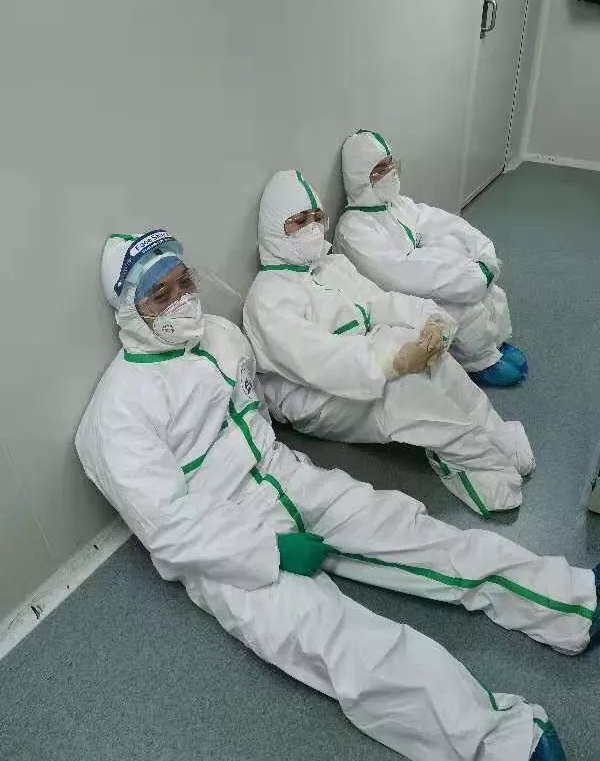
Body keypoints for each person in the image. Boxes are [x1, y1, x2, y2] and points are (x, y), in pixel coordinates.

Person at [76, 229, 599, 761]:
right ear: (128, 309)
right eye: (160, 294)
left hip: (285, 476)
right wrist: (267, 549)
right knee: (345, 643)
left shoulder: (220, 336)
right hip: (225, 545)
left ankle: (572, 599)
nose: (182, 301)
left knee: (411, 530)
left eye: (183, 282)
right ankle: (499, 743)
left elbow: (267, 396)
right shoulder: (117, 412)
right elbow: (169, 529)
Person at [243, 170, 534, 517]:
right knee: (407, 391)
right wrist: (393, 362)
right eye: (299, 221)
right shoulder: (268, 298)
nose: (312, 228)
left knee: (436, 361)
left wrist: (429, 320)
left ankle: (495, 434)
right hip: (313, 396)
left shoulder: (330, 266)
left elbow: (379, 302)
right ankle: (479, 466)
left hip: (365, 359)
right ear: (273, 228)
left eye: (316, 218)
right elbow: (321, 361)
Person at [334, 129, 527, 387]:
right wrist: (470, 277)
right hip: (394, 294)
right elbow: (400, 273)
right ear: (359, 178)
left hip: (419, 281)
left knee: (488, 289)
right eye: (380, 169)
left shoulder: (397, 205)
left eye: (390, 164)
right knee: (462, 306)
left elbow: (441, 223)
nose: (390, 173)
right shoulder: (354, 228)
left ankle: (495, 344)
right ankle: (478, 361)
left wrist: (480, 254)